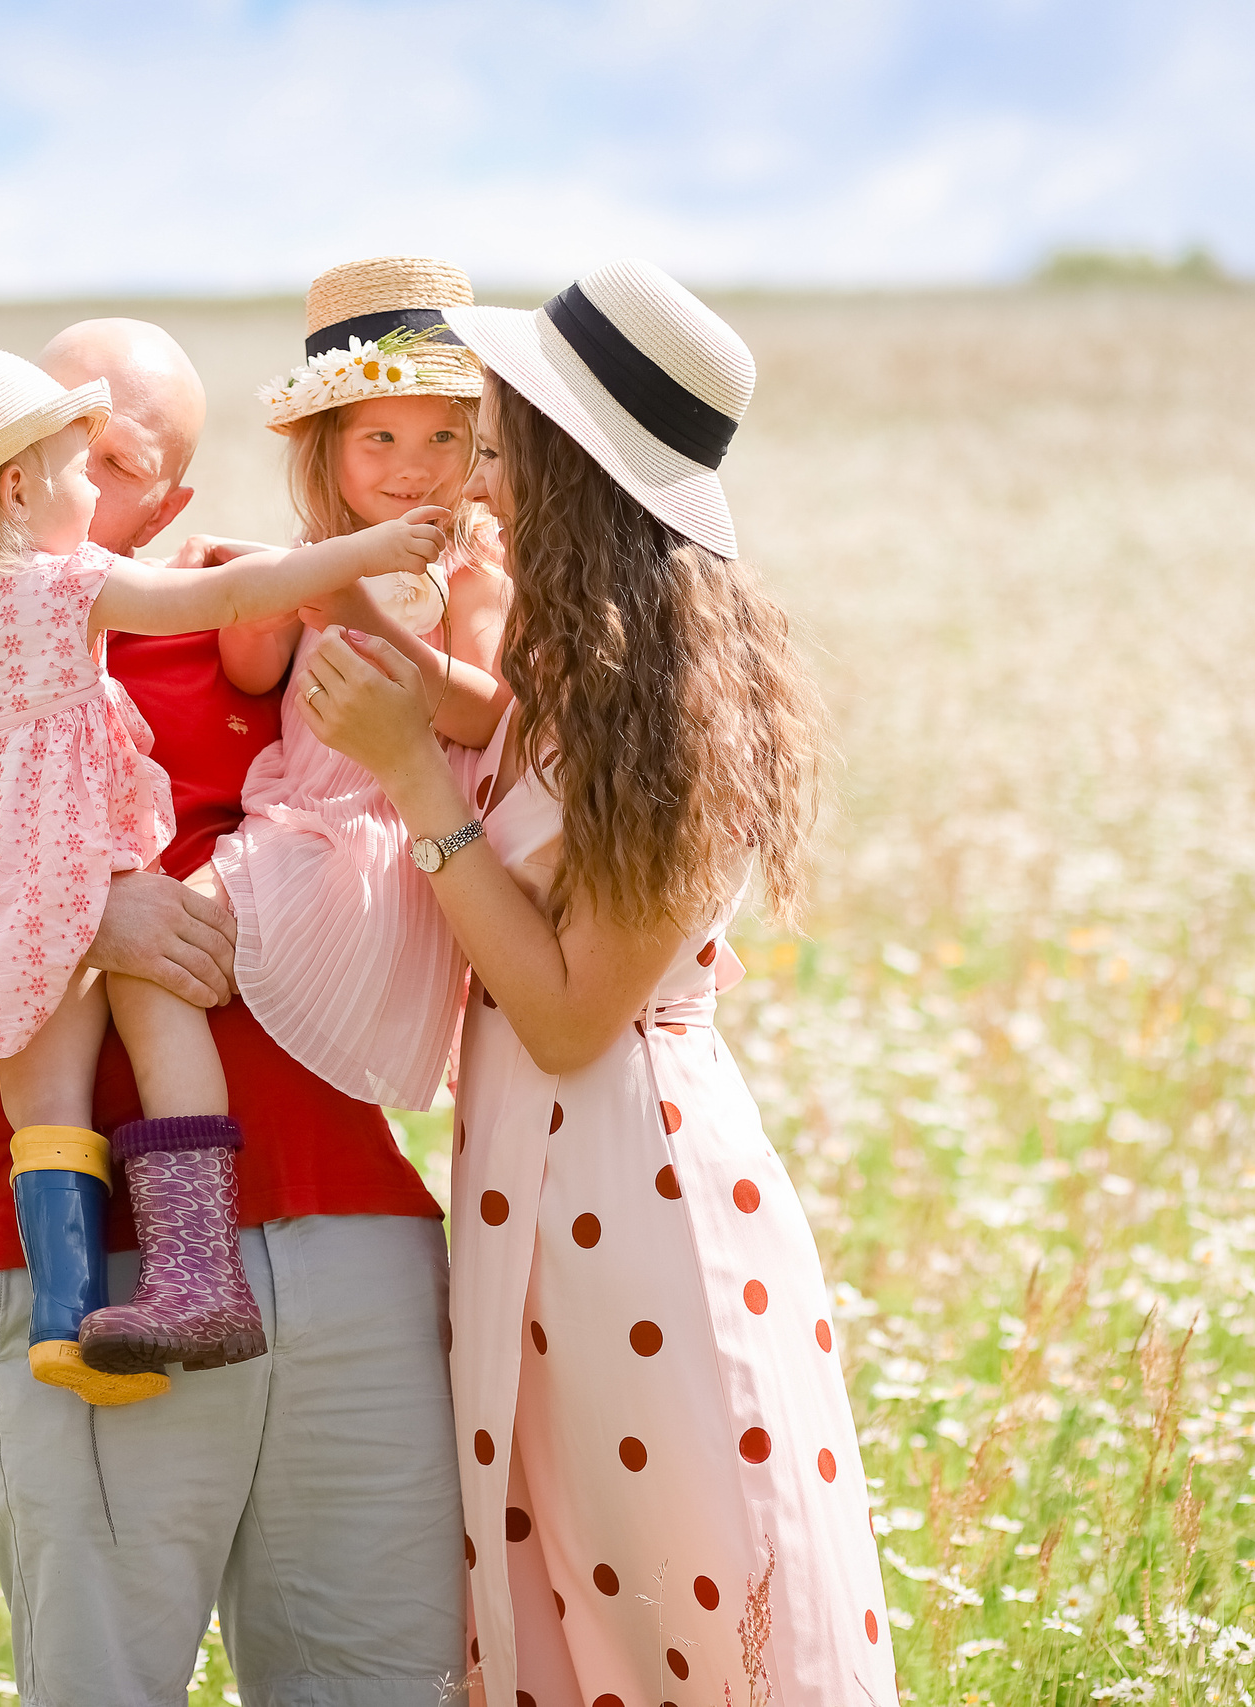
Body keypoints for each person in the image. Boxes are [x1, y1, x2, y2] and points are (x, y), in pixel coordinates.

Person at [0, 319, 469, 1703]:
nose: (79, 474)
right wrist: (82, 912)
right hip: (95, 1287)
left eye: (120, 458)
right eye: (55, 445)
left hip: (361, 1243)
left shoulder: (255, 633)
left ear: (170, 496)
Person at [305, 261, 897, 1706]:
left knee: (680, 1586)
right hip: (542, 1176)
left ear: (572, 465)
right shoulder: (594, 664)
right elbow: (513, 756)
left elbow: (573, 1016)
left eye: (504, 444)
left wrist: (409, 778)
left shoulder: (683, 706)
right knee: (573, 1583)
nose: (479, 474)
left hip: (633, 1187)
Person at [198, 255, 513, 1112]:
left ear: (478, 444)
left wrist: (360, 614)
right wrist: (265, 600)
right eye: (381, 439)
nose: (414, 467)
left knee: (167, 947)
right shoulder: (318, 555)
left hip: (382, 848)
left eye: (442, 438)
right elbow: (252, 673)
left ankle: (186, 1182)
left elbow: (488, 715)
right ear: (326, 447)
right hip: (294, 816)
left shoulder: (471, 570)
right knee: (154, 961)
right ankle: (184, 1164)